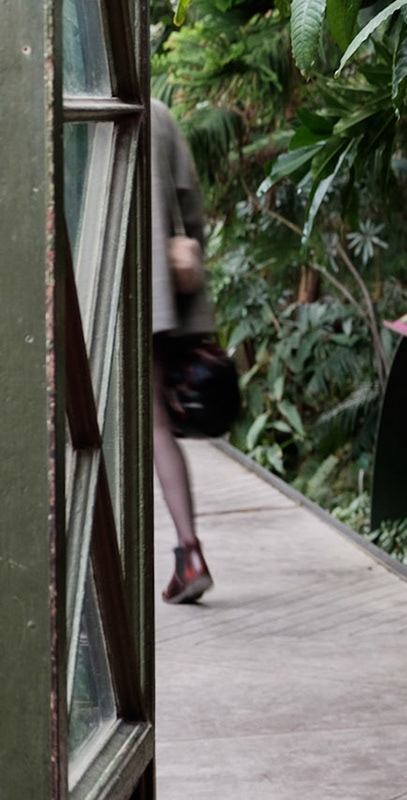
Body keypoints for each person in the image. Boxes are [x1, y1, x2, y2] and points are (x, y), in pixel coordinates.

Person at [152, 98, 215, 604]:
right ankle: (189, 552)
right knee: (156, 429)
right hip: (162, 298)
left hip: (100, 292)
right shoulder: (158, 114)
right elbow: (190, 210)